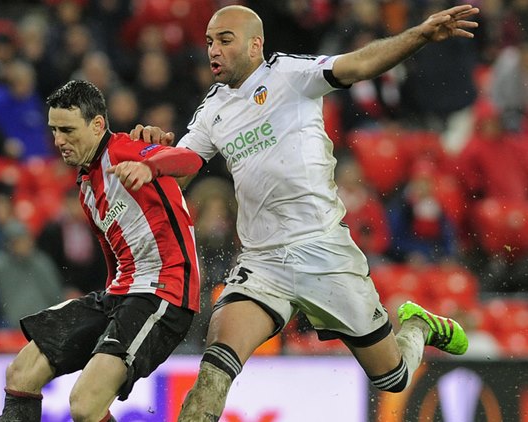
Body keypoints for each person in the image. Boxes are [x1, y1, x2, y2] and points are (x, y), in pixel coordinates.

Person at [131, 5, 477, 420]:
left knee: (394, 377)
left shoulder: (290, 75)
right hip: (263, 263)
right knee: (213, 372)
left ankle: (418, 326)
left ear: (255, 45)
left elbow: (359, 64)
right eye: (209, 42)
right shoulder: (213, 110)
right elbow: (183, 168)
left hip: (324, 252)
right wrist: (152, 156)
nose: (213, 50)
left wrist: (419, 35)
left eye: (224, 40)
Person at [0, 80, 203, 422]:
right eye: (53, 130)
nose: (58, 140)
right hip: (118, 295)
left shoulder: (126, 149)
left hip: (163, 293)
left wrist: (149, 166)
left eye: (67, 130)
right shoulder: (86, 186)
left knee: (84, 404)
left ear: (97, 125)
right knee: (22, 371)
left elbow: (191, 160)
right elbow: (113, 258)